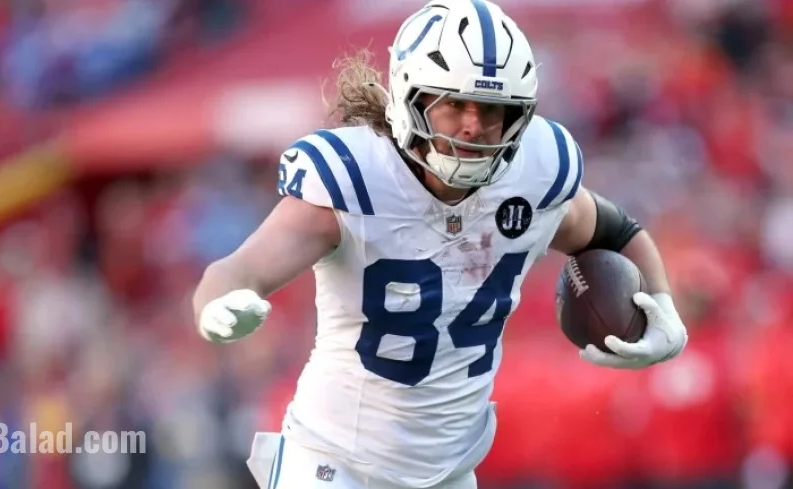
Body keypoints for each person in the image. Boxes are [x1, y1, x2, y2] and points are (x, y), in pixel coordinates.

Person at [191, 1, 688, 488]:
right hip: (332, 462)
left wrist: (663, 306)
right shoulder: (356, 182)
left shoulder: (536, 175)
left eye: (492, 109)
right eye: (454, 105)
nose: (473, 125)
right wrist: (218, 306)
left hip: (448, 472)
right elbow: (237, 270)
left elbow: (617, 232)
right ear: (412, 98)